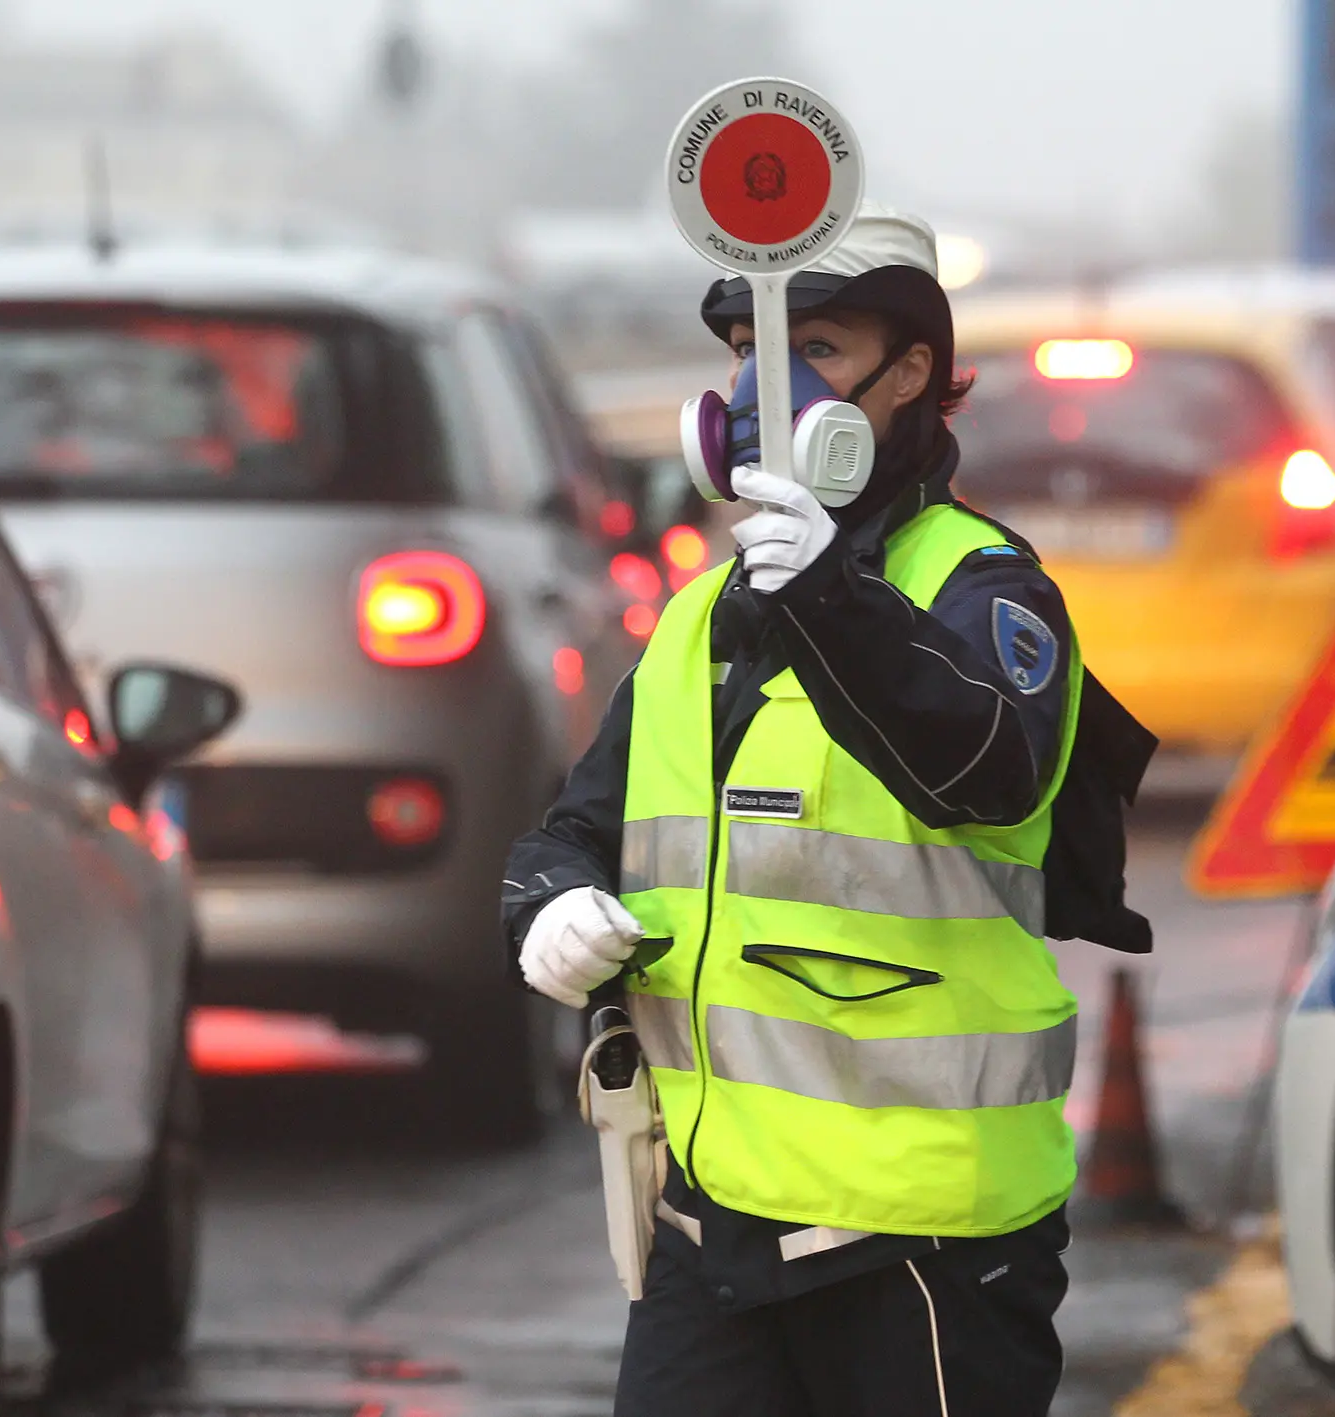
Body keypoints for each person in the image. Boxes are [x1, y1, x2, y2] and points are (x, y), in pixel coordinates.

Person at [500, 203, 1156, 1416]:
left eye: (820, 349)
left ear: (910, 377)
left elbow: (985, 771)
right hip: (708, 1232)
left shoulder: (983, 586)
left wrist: (833, 599)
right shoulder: (699, 617)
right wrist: (546, 907)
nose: (764, 382)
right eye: (745, 350)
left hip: (921, 1243)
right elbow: (574, 828)